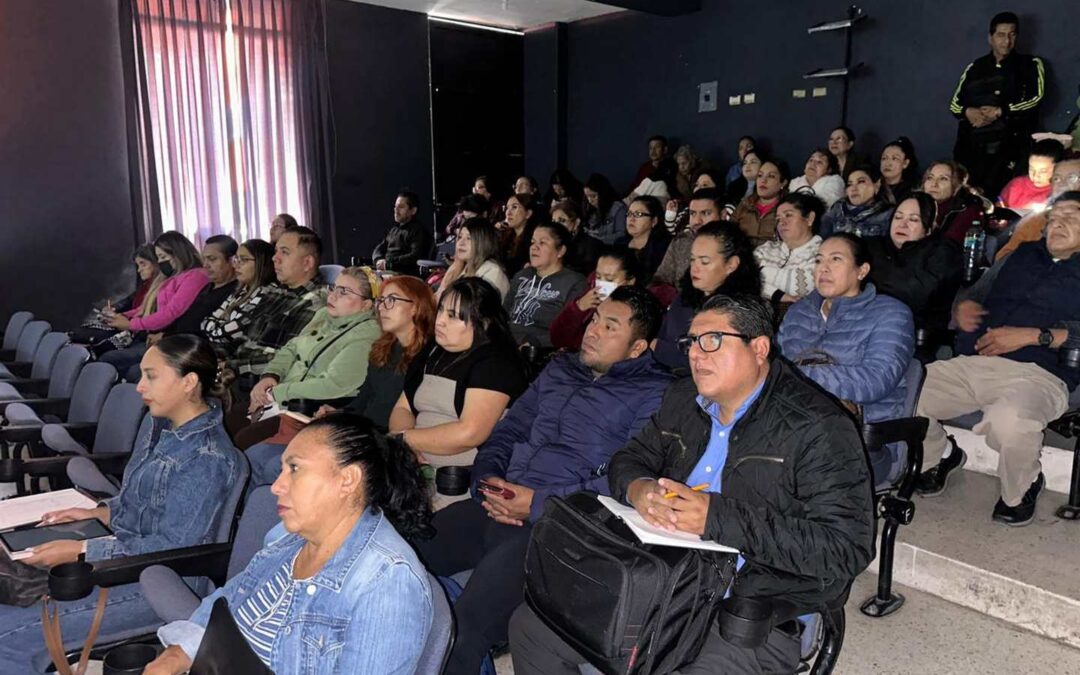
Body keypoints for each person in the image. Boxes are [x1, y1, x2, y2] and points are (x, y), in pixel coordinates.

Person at [508, 293, 875, 675]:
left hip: (749, 603)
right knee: (531, 628)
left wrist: (714, 518)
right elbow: (630, 459)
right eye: (691, 343)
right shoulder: (684, 397)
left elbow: (846, 548)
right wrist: (639, 488)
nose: (696, 354)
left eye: (712, 340)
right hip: (663, 578)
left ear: (759, 348)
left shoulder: (818, 427)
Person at [416, 287, 670, 675]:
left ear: (638, 348)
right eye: (595, 319)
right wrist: (488, 479)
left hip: (557, 529)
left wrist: (536, 503)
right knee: (401, 560)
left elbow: (625, 479)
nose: (592, 330)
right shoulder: (561, 368)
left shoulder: (655, 393)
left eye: (609, 326)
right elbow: (508, 431)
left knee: (465, 628)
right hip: (496, 501)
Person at [0, 334, 244, 675]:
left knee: (7, 638)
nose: (139, 387)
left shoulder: (209, 459)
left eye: (152, 376)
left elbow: (173, 549)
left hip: (158, 583)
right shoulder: (158, 424)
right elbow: (138, 499)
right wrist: (99, 513)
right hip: (118, 554)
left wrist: (82, 550)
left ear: (189, 382)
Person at [145, 415, 435, 675]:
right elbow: (231, 597)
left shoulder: (386, 584)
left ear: (347, 480)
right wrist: (177, 653)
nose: (276, 486)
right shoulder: (289, 538)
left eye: (294, 468)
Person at [914, 192, 1080, 526]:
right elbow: (973, 293)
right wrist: (964, 308)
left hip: (1041, 373)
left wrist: (1036, 335)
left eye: (1072, 215)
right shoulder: (1021, 255)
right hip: (976, 360)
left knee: (1010, 422)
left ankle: (1022, 488)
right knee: (906, 394)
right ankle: (941, 455)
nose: (1058, 222)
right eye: (1054, 215)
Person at [247, 277, 436, 488]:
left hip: (383, 441)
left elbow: (406, 413)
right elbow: (364, 400)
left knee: (278, 465)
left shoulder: (428, 356)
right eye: (381, 300)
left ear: (416, 307)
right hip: (361, 433)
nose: (382, 307)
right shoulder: (384, 350)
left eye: (391, 300)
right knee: (255, 456)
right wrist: (338, 413)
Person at [778, 233, 915, 482]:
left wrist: (796, 375)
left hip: (862, 440)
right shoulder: (799, 312)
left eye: (836, 259)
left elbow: (875, 381)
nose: (824, 268)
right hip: (791, 426)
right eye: (818, 260)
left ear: (861, 271)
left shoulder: (891, 314)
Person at [231, 266, 382, 449]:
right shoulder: (323, 314)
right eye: (333, 287)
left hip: (307, 410)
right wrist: (270, 376)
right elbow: (291, 348)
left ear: (366, 304)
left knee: (242, 440)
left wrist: (278, 393)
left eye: (344, 292)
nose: (333, 295)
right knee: (230, 420)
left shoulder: (366, 335)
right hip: (281, 398)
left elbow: (334, 384)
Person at [389, 278, 528, 475]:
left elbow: (470, 434)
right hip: (413, 465)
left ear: (484, 323)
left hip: (464, 477)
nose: (440, 321)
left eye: (453, 316)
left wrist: (404, 439)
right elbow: (403, 408)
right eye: (441, 310)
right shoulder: (432, 351)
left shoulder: (498, 364)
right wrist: (406, 449)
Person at [950, 12, 1045, 197]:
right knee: (968, 198)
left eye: (1012, 34)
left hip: (1011, 148)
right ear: (990, 38)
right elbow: (955, 105)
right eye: (1001, 35)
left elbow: (1036, 98)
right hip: (972, 149)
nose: (1007, 41)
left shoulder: (1030, 64)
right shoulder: (975, 67)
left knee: (1004, 199)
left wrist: (1001, 111)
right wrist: (968, 112)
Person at [225, 226, 327, 393]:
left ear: (307, 263)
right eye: (276, 251)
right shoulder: (274, 291)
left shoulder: (316, 303)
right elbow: (243, 336)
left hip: (261, 389)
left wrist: (229, 366)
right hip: (235, 377)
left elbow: (286, 361)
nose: (274, 258)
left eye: (284, 252)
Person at [653, 222, 762, 373]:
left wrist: (660, 349)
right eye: (692, 260)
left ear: (731, 264)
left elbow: (717, 364)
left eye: (705, 261)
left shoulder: (741, 312)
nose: (695, 268)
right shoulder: (684, 298)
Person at [100, 231, 210, 375]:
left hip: (174, 341)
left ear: (178, 253)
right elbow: (147, 307)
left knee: (123, 366)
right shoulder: (172, 277)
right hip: (157, 336)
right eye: (158, 258)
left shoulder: (195, 275)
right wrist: (120, 316)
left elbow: (171, 312)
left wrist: (131, 324)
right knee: (108, 356)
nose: (161, 262)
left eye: (163, 257)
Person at [866, 193, 963, 338]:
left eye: (913, 219)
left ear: (928, 229)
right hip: (865, 325)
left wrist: (867, 285)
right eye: (898, 217)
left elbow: (914, 295)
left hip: (915, 335)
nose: (902, 224)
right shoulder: (873, 246)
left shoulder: (942, 252)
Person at [504, 223, 587, 348]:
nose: (534, 247)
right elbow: (503, 313)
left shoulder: (575, 282)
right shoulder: (522, 275)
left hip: (538, 350)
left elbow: (569, 329)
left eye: (542, 243)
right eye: (533, 242)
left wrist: (536, 343)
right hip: (504, 342)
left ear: (560, 251)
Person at [550, 249, 645, 351]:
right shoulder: (589, 299)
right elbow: (557, 338)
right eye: (598, 277)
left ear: (630, 282)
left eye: (609, 279)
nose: (601, 283)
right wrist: (578, 308)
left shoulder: (637, 312)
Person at [201, 239, 276, 357]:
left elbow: (221, 334)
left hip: (237, 358)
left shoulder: (266, 294)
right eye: (237, 259)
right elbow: (208, 321)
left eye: (244, 260)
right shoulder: (241, 290)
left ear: (262, 262)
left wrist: (214, 326)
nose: (236, 265)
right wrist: (214, 327)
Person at [995, 158, 1080, 260]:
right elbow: (1003, 257)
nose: (1062, 184)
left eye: (1071, 178)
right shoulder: (1034, 220)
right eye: (1056, 179)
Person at [162, 235, 240, 340]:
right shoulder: (207, 287)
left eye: (212, 259)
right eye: (204, 259)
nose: (205, 265)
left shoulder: (235, 292)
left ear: (232, 261)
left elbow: (202, 330)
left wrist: (165, 337)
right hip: (172, 339)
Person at [755, 192, 825, 307]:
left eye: (788, 215)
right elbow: (737, 277)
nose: (782, 222)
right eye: (778, 218)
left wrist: (760, 272)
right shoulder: (767, 248)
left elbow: (799, 288)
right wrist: (778, 295)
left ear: (810, 218)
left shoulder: (823, 251)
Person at [652, 188, 723, 289]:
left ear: (723, 215)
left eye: (706, 213)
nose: (697, 221)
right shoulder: (681, 242)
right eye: (693, 213)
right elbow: (660, 279)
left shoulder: (734, 246)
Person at [439, 217, 510, 300]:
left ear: (483, 242)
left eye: (469, 238)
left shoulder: (492, 272)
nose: (461, 243)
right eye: (460, 237)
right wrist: (456, 264)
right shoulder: (466, 266)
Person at [820, 164, 895, 238]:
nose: (853, 188)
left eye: (861, 182)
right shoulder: (837, 209)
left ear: (877, 185)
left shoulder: (888, 215)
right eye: (849, 184)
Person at [922, 160, 986, 244]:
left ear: (957, 186)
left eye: (943, 179)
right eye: (930, 178)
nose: (934, 184)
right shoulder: (915, 203)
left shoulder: (967, 210)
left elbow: (949, 247)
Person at [373, 190, 432, 276]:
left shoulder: (418, 230)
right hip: (386, 272)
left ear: (413, 210)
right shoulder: (394, 230)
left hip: (403, 275)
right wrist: (378, 260)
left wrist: (390, 263)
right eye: (395, 207)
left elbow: (415, 256)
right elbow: (379, 248)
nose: (396, 210)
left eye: (401, 207)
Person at [997, 138, 1064, 214]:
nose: (1035, 176)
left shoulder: (1059, 194)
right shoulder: (1016, 184)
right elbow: (999, 203)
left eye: (1043, 171)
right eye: (1031, 169)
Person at [731, 158, 789, 245]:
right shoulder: (745, 203)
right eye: (760, 175)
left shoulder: (788, 207)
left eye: (771, 176)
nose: (763, 180)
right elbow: (729, 233)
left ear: (783, 183)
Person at [615, 195, 671, 280]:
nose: (631, 219)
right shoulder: (619, 243)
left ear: (654, 221)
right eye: (629, 214)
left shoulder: (663, 247)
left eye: (638, 214)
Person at [665, 168, 725, 235]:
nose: (698, 189)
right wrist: (670, 215)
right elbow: (673, 232)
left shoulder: (727, 208)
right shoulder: (687, 209)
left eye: (705, 185)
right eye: (696, 185)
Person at [552, 199, 603, 275]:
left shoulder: (591, 245)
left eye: (562, 221)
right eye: (553, 221)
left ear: (576, 222)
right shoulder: (552, 242)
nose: (556, 226)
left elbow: (586, 274)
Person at [497, 192, 540, 276]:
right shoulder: (505, 236)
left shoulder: (534, 240)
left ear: (528, 214)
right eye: (507, 208)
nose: (508, 213)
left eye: (514, 207)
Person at [582, 173, 627, 245]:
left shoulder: (618, 208)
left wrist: (599, 240)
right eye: (587, 197)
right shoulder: (589, 208)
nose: (590, 201)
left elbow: (621, 234)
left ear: (603, 193)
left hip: (609, 249)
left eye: (593, 196)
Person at [880, 137, 920, 205]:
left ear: (905, 163)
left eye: (895, 159)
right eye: (884, 158)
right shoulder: (872, 185)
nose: (888, 163)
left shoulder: (911, 192)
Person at [722, 149, 763, 215]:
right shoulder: (733, 187)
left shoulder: (765, 188)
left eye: (753, 162)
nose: (747, 166)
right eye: (745, 163)